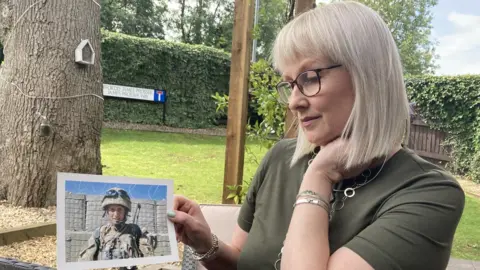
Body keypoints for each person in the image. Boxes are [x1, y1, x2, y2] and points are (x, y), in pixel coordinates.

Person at [167, 2, 465, 270]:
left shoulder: (428, 194)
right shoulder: (280, 159)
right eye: (290, 84)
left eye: (310, 78)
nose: (295, 101)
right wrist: (205, 244)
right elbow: (244, 264)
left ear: (367, 76)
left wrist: (319, 176)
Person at [78, 188, 154, 267]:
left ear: (125, 212)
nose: (116, 214)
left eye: (120, 210)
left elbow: (149, 260)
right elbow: (84, 261)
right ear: (107, 212)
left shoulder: (135, 231)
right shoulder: (99, 234)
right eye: (112, 209)